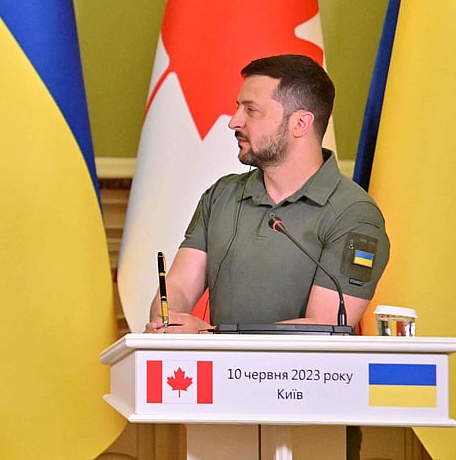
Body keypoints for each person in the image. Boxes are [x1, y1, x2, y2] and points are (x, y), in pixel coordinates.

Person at [146, 53, 389, 334]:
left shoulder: (354, 214)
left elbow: (324, 328)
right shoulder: (221, 195)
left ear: (300, 123)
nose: (234, 122)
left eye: (251, 110)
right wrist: (166, 320)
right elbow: (178, 285)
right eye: (238, 108)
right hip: (217, 375)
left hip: (306, 377)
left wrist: (211, 335)